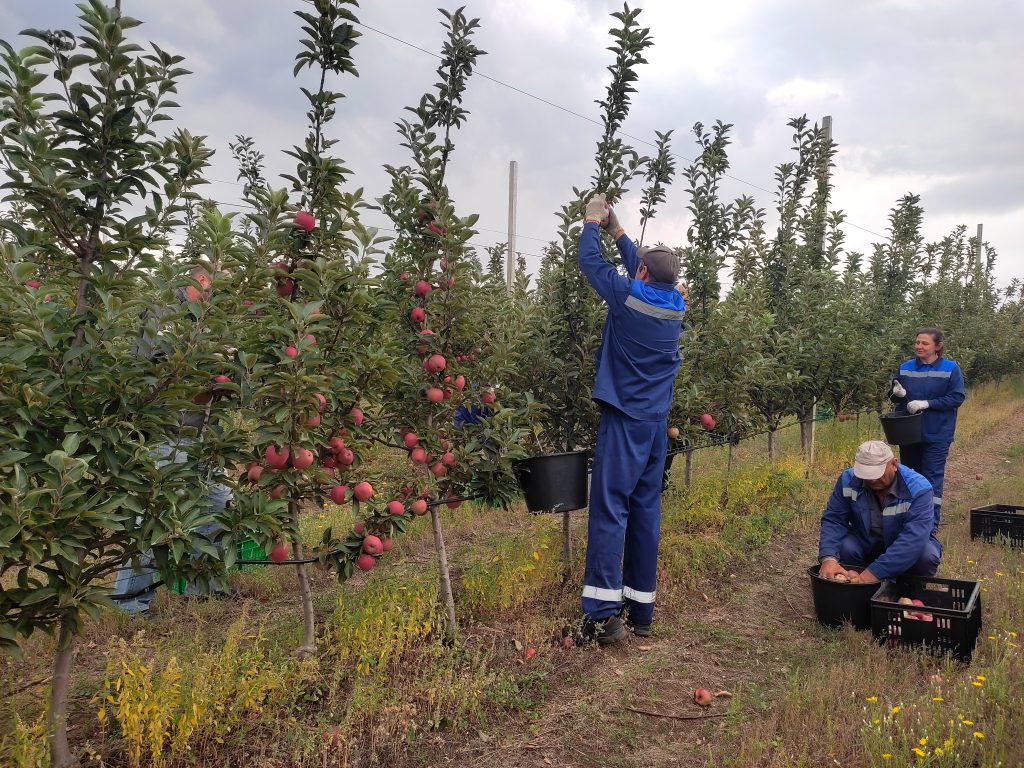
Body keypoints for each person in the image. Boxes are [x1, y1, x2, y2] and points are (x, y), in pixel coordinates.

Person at [577, 193, 687, 644]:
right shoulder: (676, 303)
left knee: (610, 510)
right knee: (645, 510)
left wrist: (590, 222)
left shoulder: (625, 296)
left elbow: (590, 263)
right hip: (655, 425)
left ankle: (603, 615)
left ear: (641, 274)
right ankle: (641, 611)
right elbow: (642, 269)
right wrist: (618, 229)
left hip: (624, 419)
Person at [112, 267, 232, 613]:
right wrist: (202, 370)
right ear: (203, 279)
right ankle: (132, 605)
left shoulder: (208, 321)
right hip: (165, 434)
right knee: (156, 517)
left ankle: (202, 588)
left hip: (203, 440)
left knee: (218, 506)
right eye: (218, 284)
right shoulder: (165, 309)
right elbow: (149, 363)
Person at [818, 440, 941, 584]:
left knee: (926, 556)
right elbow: (834, 520)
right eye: (866, 474)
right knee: (845, 547)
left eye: (877, 473)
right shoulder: (848, 480)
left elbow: (913, 540)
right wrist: (828, 558)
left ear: (894, 465)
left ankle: (908, 586)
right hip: (866, 541)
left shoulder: (919, 488)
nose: (872, 479)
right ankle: (859, 587)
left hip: (900, 542)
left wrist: (872, 574)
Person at [889, 327, 965, 526]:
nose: (919, 346)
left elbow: (956, 397)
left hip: (938, 433)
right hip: (909, 432)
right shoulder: (905, 367)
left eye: (924, 343)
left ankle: (929, 524)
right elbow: (893, 397)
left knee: (931, 477)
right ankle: (908, 520)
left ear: (937, 347)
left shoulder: (950, 368)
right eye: (917, 342)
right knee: (908, 476)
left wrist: (927, 403)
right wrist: (895, 393)